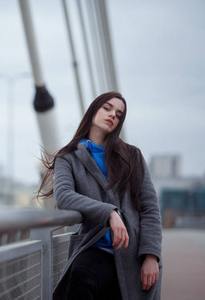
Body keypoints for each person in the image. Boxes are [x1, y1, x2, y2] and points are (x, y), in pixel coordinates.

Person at [37, 91, 162, 300]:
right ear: (93, 110)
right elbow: (64, 196)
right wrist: (110, 213)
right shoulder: (68, 158)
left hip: (134, 255)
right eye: (107, 108)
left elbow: (150, 208)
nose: (113, 114)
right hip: (94, 247)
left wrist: (151, 255)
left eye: (119, 114)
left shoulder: (132, 156)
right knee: (80, 278)